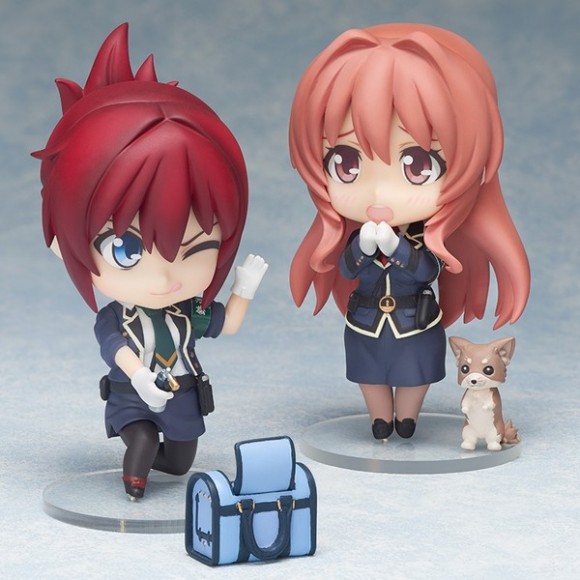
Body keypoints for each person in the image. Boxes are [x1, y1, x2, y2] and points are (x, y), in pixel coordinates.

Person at [34, 24, 267, 499]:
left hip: (182, 395)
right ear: (63, 240)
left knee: (180, 463)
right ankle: (133, 483)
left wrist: (243, 288)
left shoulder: (189, 312)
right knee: (140, 439)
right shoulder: (116, 317)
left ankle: (151, 465)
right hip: (131, 394)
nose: (162, 277)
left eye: (193, 248)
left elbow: (227, 325)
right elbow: (114, 349)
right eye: (126, 250)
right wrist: (140, 377)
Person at [288, 23, 529, 440]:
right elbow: (346, 270)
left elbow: (426, 271)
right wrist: (362, 248)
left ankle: (407, 418)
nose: (378, 194)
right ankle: (380, 419)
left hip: (414, 321)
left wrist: (397, 248)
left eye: (418, 165)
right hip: (365, 323)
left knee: (414, 370)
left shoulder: (423, 239)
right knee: (369, 371)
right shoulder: (356, 239)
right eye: (345, 163)